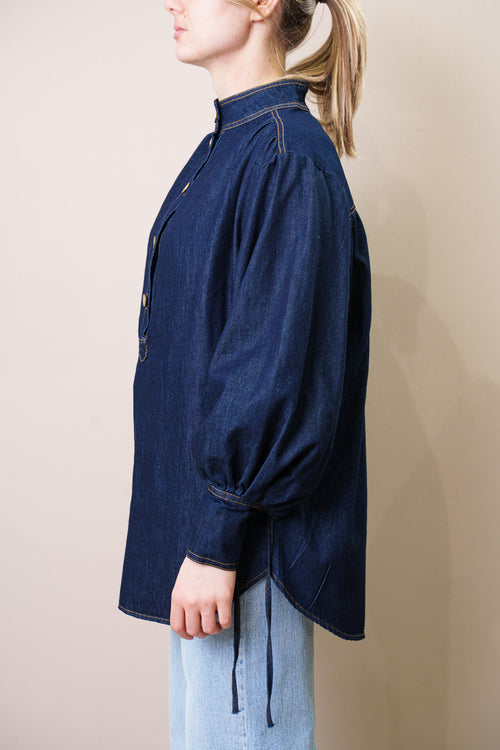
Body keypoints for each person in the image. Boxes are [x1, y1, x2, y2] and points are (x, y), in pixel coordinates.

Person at [118, 0, 371, 747]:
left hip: (244, 553)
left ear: (262, 4)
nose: (173, 2)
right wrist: (202, 540)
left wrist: (216, 540)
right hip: (211, 545)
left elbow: (273, 368)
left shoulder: (284, 158)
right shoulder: (233, 146)